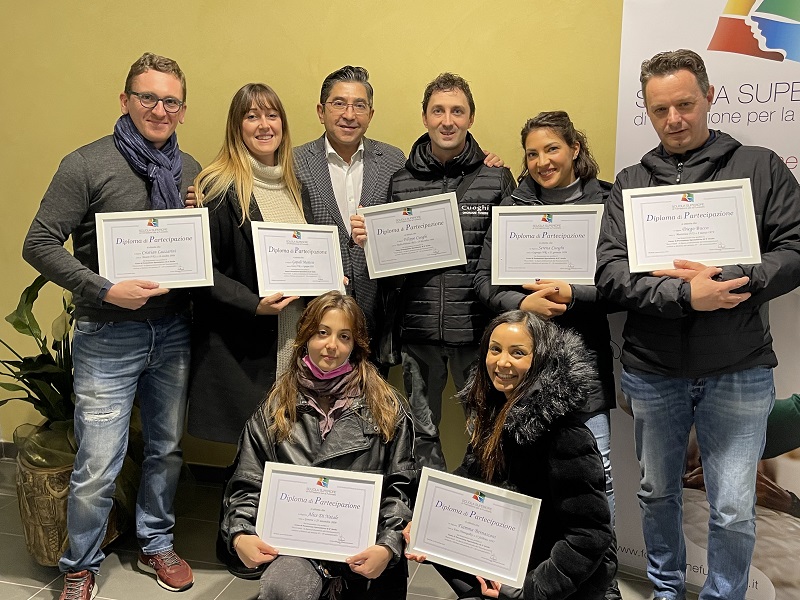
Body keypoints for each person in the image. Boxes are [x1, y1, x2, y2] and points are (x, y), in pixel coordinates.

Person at [595, 49, 800, 600]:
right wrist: (687, 295)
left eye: (685, 104)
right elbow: (611, 276)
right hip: (652, 370)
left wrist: (731, 281)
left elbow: (795, 249)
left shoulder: (759, 167)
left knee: (732, 507)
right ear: (647, 110)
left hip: (739, 368)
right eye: (660, 110)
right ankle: (666, 592)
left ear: (708, 96)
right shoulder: (631, 183)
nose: (674, 119)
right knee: (657, 494)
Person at [22, 53, 200, 599]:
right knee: (99, 460)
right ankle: (80, 564)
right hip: (107, 335)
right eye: (147, 97)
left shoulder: (190, 169)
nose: (159, 110)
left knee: (166, 449)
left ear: (183, 110)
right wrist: (104, 288)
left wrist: (200, 214)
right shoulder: (85, 164)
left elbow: (198, 249)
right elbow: (39, 242)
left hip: (173, 330)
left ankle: (155, 542)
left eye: (170, 101)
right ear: (125, 100)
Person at [473, 110, 621, 600]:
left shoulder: (606, 202)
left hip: (583, 370)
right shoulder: (512, 205)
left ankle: (604, 587)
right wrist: (522, 306)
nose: (542, 161)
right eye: (532, 153)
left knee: (598, 484)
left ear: (575, 148)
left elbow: (621, 283)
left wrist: (574, 294)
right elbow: (484, 283)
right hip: (517, 373)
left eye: (552, 149)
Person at [354, 72, 515, 470]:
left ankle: (478, 502)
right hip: (418, 333)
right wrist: (373, 241)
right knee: (421, 433)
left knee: (486, 429)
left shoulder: (496, 177)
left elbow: (510, 254)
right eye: (438, 111)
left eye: (457, 111)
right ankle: (424, 501)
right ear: (424, 117)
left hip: (477, 333)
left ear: (471, 117)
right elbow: (391, 266)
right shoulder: (401, 181)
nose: (447, 121)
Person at [406, 310, 616, 599]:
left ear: (541, 359)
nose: (502, 362)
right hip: (505, 562)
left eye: (517, 353)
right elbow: (472, 477)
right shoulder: (495, 412)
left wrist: (529, 592)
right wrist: (427, 522)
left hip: (550, 584)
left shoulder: (565, 436)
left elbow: (590, 536)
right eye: (495, 349)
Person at [220, 291, 417, 600]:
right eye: (322, 332)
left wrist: (388, 545)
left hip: (366, 553)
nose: (331, 345)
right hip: (297, 551)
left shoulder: (388, 408)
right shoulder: (274, 408)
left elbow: (401, 488)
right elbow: (247, 483)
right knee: (282, 587)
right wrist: (240, 533)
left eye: (344, 336)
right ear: (305, 337)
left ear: (356, 345)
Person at [188, 83, 312, 445]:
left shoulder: (296, 188)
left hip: (294, 343)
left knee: (284, 451)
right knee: (251, 456)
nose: (264, 125)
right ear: (236, 126)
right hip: (245, 350)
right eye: (252, 116)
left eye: (272, 115)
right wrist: (253, 304)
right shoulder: (218, 187)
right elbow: (201, 271)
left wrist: (327, 278)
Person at [293, 66, 406, 358]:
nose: (349, 114)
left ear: (371, 113)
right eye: (339, 103)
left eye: (359, 105)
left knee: (371, 386)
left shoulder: (393, 160)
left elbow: (409, 222)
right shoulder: (294, 162)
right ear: (321, 111)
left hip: (375, 312)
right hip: (316, 317)